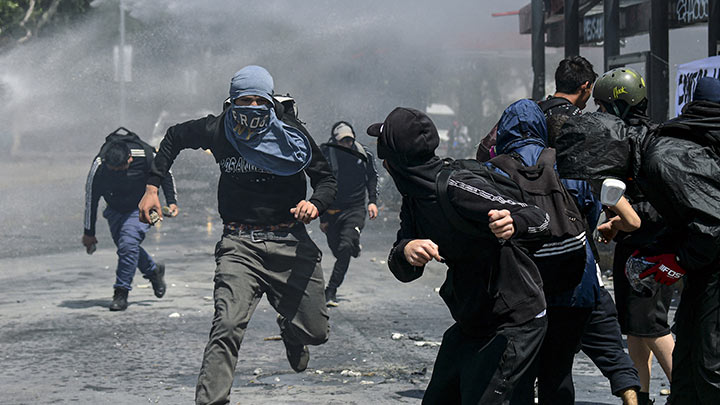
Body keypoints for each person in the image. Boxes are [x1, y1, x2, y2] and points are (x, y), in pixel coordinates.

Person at [138, 65, 336, 405]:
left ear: (271, 102)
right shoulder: (218, 130)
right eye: (246, 101)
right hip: (239, 244)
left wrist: (314, 204)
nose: (254, 109)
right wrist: (152, 186)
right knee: (227, 324)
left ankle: (291, 329)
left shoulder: (292, 135)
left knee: (316, 332)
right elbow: (173, 137)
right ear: (232, 102)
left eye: (261, 101)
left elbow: (327, 181)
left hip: (289, 241)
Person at [556, 73, 720, 405]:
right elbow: (687, 218)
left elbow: (713, 226)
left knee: (708, 366)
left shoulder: (663, 159)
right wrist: (666, 252)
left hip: (712, 270)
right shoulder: (653, 157)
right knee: (687, 362)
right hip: (704, 270)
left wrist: (677, 260)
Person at [368, 107, 551, 404]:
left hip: (515, 319)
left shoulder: (457, 186)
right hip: (472, 319)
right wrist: (406, 251)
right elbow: (403, 269)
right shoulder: (415, 198)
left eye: (384, 156)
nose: (384, 165)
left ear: (395, 161)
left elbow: (539, 217)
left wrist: (513, 223)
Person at [482, 99, 639, 405]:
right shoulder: (568, 162)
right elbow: (591, 215)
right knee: (558, 371)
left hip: (522, 292)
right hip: (575, 285)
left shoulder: (493, 171)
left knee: (521, 375)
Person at [590, 67, 674, 405]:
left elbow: (637, 214)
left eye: (603, 106)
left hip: (646, 249)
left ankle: (689, 391)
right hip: (649, 246)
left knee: (653, 327)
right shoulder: (653, 135)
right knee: (637, 327)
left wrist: (614, 224)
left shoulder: (628, 140)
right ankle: (639, 395)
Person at [83, 127, 178, 311]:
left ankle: (121, 292)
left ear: (130, 159)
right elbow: (91, 199)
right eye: (114, 170)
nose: (119, 172)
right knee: (128, 248)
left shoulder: (146, 154)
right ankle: (153, 271)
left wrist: (172, 201)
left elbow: (165, 172)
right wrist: (89, 233)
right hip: (115, 210)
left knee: (127, 244)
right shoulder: (100, 165)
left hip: (142, 208)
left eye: (123, 168)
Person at [319, 121, 379, 307]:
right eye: (342, 141)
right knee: (337, 249)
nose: (347, 145)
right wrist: (322, 217)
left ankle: (331, 290)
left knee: (344, 247)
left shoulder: (364, 153)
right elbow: (319, 184)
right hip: (332, 210)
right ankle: (353, 245)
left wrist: (372, 202)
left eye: (349, 141)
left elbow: (372, 177)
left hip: (355, 208)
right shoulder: (326, 155)